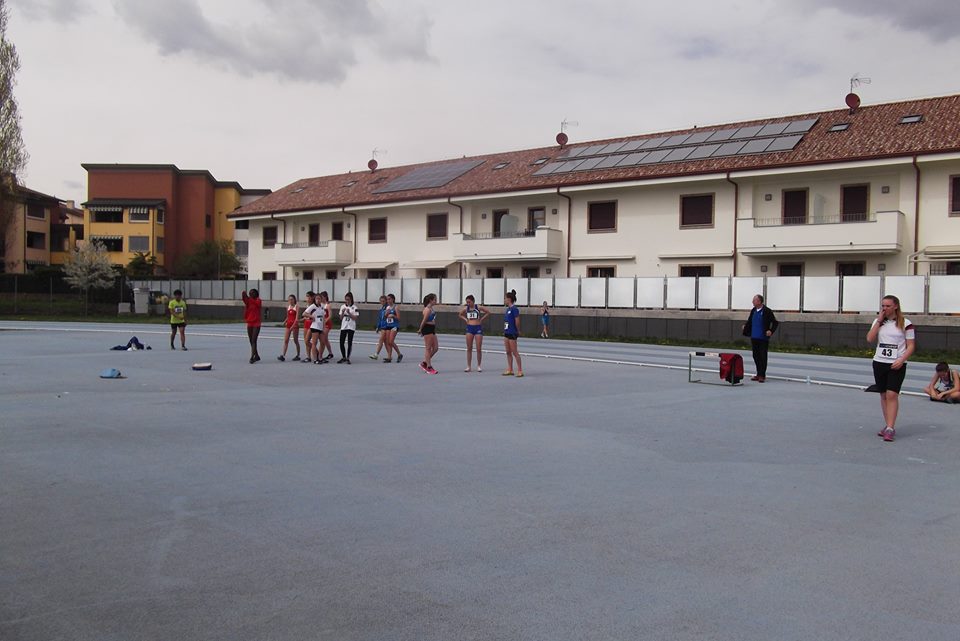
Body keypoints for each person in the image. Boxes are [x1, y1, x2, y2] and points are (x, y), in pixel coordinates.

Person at [867, 294, 916, 442]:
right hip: (879, 362)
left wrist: (902, 359)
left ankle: (890, 428)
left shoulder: (906, 323)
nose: (885, 308)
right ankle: (888, 424)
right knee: (883, 395)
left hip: (897, 363)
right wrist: (879, 321)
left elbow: (911, 346)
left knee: (892, 395)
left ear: (895, 306)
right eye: (883, 306)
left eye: (888, 306)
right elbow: (869, 338)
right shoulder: (878, 322)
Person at [741, 294, 779, 382]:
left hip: (763, 338)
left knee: (763, 356)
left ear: (759, 301)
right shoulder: (753, 310)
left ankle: (762, 375)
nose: (752, 302)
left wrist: (771, 331)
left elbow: (775, 322)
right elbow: (750, 321)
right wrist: (745, 327)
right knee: (755, 356)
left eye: (754, 300)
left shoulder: (767, 311)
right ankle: (758, 374)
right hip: (754, 337)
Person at [458, 294, 489, 372]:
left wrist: (481, 319)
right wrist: (466, 319)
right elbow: (460, 314)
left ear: (473, 301)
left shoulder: (478, 307)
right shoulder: (466, 308)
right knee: (469, 348)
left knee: (478, 348)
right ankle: (469, 366)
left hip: (478, 328)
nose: (468, 304)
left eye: (469, 302)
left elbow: (488, 312)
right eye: (467, 302)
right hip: (469, 328)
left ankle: (479, 365)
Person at [502, 289, 524, 377]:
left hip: (512, 332)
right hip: (506, 332)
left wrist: (518, 330)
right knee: (508, 352)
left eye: (505, 298)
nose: (504, 300)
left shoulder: (514, 309)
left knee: (514, 352)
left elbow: (517, 321)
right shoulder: (508, 309)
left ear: (509, 299)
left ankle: (520, 370)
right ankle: (510, 369)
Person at [417, 293, 439, 374]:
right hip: (427, 329)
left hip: (432, 329)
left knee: (435, 348)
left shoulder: (431, 308)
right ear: (430, 300)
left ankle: (424, 362)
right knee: (428, 348)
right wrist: (420, 329)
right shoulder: (427, 309)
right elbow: (424, 321)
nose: (436, 301)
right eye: (435, 300)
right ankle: (429, 367)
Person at [241, 288, 262, 364]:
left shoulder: (258, 300)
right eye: (250, 293)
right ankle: (256, 355)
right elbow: (244, 299)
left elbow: (256, 304)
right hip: (250, 322)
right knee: (251, 340)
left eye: (252, 293)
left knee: (254, 340)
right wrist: (244, 293)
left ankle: (252, 357)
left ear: (256, 294)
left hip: (256, 323)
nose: (251, 294)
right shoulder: (248, 301)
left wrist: (249, 298)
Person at [278, 294, 301, 361]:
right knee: (286, 340)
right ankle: (283, 355)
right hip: (288, 325)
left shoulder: (297, 307)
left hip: (295, 325)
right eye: (289, 300)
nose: (290, 301)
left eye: (292, 299)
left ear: (294, 300)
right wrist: (284, 322)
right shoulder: (288, 307)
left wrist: (293, 326)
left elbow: (296, 318)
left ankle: (298, 355)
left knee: (295, 340)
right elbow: (288, 316)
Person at [381, 293, 403, 363]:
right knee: (388, 342)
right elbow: (384, 318)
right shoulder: (387, 308)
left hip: (394, 326)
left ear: (393, 299)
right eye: (387, 299)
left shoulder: (396, 307)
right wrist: (386, 314)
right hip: (388, 325)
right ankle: (389, 357)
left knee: (391, 341)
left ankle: (399, 354)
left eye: (389, 299)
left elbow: (399, 318)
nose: (388, 301)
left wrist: (393, 316)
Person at [302, 294, 324, 364]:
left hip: (320, 327)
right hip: (315, 326)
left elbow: (323, 317)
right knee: (314, 343)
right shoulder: (313, 306)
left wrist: (323, 327)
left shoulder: (322, 306)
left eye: (319, 299)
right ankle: (315, 359)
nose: (318, 300)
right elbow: (304, 314)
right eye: (316, 299)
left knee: (323, 342)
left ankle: (320, 357)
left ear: (321, 299)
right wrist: (311, 316)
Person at [338, 292, 358, 364]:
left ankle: (348, 358)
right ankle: (343, 356)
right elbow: (340, 318)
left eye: (348, 299)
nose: (347, 301)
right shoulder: (342, 306)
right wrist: (343, 312)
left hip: (351, 326)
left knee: (349, 342)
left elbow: (355, 318)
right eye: (346, 299)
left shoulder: (355, 307)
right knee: (341, 342)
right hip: (344, 326)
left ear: (351, 299)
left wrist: (349, 313)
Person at [317, 291, 335, 363]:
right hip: (321, 323)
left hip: (327, 324)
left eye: (322, 297)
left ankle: (320, 354)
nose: (321, 299)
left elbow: (330, 316)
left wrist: (325, 321)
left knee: (323, 338)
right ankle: (330, 353)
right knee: (325, 339)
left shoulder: (328, 305)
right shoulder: (320, 305)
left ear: (325, 297)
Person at [369, 295, 388, 360]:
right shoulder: (381, 309)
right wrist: (378, 327)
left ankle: (376, 354)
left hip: (386, 326)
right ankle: (390, 355)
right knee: (385, 342)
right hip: (382, 326)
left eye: (383, 301)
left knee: (381, 340)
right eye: (381, 301)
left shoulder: (387, 308)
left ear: (386, 301)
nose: (382, 302)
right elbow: (380, 319)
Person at [301, 291, 315, 364]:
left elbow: (313, 316)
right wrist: (301, 320)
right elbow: (305, 316)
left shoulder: (314, 306)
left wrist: (309, 318)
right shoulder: (307, 305)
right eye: (307, 296)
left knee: (308, 340)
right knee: (306, 341)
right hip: (306, 323)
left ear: (312, 297)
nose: (307, 298)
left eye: (308, 296)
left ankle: (316, 352)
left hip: (312, 324)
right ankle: (308, 357)